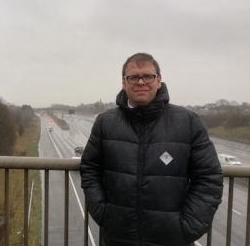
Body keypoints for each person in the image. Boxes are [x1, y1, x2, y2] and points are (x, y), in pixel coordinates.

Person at [80, 53, 223, 246]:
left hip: (172, 240)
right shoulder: (105, 122)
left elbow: (209, 178)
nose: (141, 82)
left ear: (159, 80)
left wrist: (188, 226)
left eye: (148, 76)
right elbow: (90, 168)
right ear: (124, 82)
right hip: (117, 237)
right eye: (133, 77)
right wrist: (103, 213)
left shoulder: (188, 122)